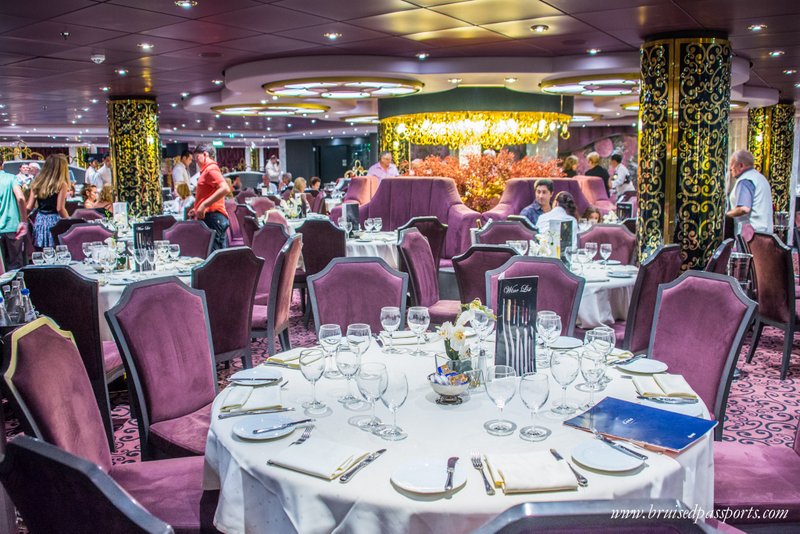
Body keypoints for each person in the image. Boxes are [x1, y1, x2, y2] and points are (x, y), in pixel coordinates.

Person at [189, 144, 230, 251]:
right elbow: (208, 193)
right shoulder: (207, 170)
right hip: (213, 217)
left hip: (214, 217)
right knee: (217, 256)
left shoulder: (210, 169)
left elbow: (225, 188)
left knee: (214, 257)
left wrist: (203, 205)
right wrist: (197, 208)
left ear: (205, 154)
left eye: (197, 158)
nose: (196, 162)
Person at [27, 154, 69, 249]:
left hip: (40, 220)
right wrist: (69, 221)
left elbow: (29, 207)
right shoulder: (61, 184)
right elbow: (60, 208)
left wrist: (21, 220)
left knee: (42, 251)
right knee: (57, 250)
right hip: (55, 221)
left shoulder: (37, 182)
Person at [726, 149, 773, 234]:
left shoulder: (745, 180)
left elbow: (744, 209)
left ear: (741, 165)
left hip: (751, 236)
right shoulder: (760, 178)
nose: (730, 169)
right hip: (764, 234)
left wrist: (726, 215)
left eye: (732, 165)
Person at [0, 155, 28, 269]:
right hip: (13, 228)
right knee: (15, 265)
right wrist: (24, 220)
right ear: (2, 163)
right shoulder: (11, 178)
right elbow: (20, 198)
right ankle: (16, 286)